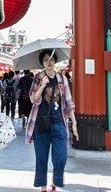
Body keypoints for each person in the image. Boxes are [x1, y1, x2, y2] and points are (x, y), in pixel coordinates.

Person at [25, 50, 79, 191]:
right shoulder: (38, 77)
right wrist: (42, 85)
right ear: (42, 63)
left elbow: (68, 101)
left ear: (55, 61)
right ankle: (43, 187)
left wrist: (74, 123)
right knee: (41, 157)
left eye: (51, 59)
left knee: (61, 157)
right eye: (45, 60)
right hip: (41, 123)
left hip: (58, 122)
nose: (49, 62)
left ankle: (55, 183)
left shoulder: (62, 78)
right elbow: (33, 99)